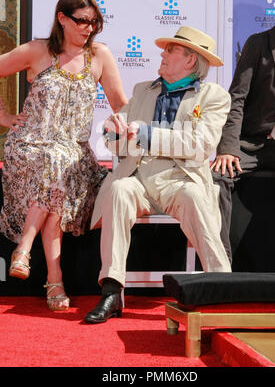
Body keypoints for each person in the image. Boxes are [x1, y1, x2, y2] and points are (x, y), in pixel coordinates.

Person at [84, 25, 232, 324]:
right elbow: (120, 144)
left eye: (170, 51)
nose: (162, 55)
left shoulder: (215, 96)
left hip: (180, 180)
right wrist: (113, 133)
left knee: (194, 196)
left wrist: (148, 134)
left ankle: (223, 288)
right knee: (118, 189)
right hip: (139, 176)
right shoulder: (142, 90)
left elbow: (200, 145)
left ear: (190, 60)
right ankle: (111, 291)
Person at [0, 0, 127, 311]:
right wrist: (3, 115)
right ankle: (52, 279)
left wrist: (131, 124)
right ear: (62, 18)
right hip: (28, 145)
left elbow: (121, 103)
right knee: (55, 163)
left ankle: (28, 254)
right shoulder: (37, 50)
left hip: (72, 151)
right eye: (82, 21)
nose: (88, 28)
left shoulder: (100, 55)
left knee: (59, 165)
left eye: (94, 23)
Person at [212, 0, 275, 260]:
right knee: (216, 178)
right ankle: (220, 266)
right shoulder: (258, 42)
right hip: (253, 144)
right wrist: (228, 148)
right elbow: (236, 98)